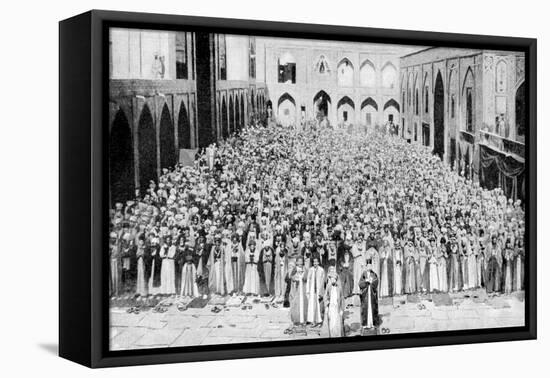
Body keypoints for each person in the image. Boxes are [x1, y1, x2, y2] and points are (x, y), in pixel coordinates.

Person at [323, 266, 345, 337]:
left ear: (336, 279)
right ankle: (331, 334)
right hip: (331, 307)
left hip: (337, 307)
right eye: (331, 279)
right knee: (331, 321)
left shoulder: (339, 288)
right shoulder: (328, 287)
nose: (333, 280)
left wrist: (342, 309)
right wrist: (326, 306)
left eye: (334, 279)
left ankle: (337, 334)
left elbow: (342, 299)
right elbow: (326, 297)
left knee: (337, 321)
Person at [306, 256, 325, 326]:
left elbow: (323, 282)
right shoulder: (310, 270)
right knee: (312, 305)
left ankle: (319, 321)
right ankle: (312, 320)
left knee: (319, 306)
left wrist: (321, 292)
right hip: (312, 290)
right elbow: (308, 280)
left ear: (319, 262)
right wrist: (307, 290)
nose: (315, 263)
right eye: (314, 262)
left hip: (318, 290)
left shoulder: (321, 270)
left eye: (316, 262)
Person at [289, 256, 308, 325]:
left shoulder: (305, 269)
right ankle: (296, 319)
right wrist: (295, 279)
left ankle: (303, 319)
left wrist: (303, 279)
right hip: (296, 289)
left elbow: (306, 278)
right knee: (296, 304)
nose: (300, 263)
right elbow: (291, 277)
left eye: (301, 261)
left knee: (303, 304)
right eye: (298, 261)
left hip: (303, 289)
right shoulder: (295, 269)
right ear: (296, 262)